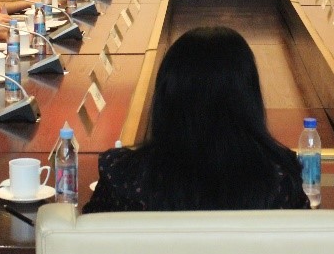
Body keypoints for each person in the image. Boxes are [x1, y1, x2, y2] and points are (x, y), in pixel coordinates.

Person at [84, 26, 310, 212]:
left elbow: (86, 240)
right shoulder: (281, 179)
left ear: (166, 96)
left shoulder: (122, 176)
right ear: (248, 99)